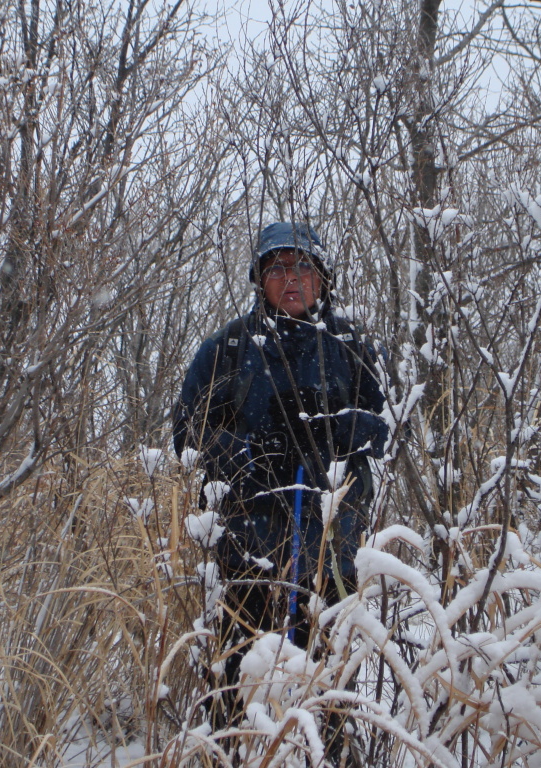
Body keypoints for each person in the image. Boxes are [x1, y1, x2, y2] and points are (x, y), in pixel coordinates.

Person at [172, 221, 388, 745]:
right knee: (238, 682)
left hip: (329, 553)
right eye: (277, 267)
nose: (290, 279)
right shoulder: (226, 349)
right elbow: (186, 431)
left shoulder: (351, 346)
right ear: (259, 278)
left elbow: (387, 428)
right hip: (245, 552)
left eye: (302, 267)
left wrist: (333, 429)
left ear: (322, 277)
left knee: (327, 685)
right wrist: (245, 452)